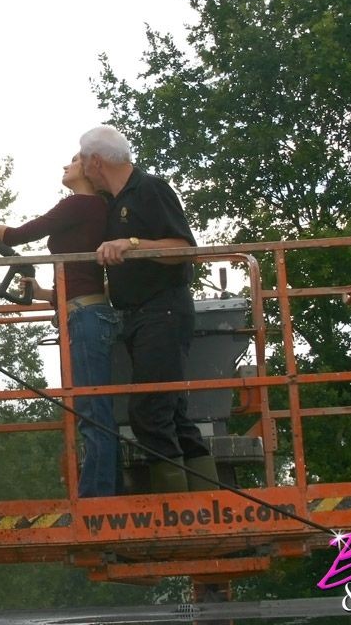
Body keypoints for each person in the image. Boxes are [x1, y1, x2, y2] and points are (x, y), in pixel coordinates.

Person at [0, 152, 121, 497]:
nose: (65, 166)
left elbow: (17, 235)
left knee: (92, 412)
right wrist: (44, 292)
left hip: (85, 317)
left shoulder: (79, 204)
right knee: (91, 409)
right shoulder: (92, 209)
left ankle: (97, 498)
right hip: (85, 312)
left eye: (73, 161)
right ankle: (100, 491)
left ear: (88, 171)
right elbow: (82, 280)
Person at [78, 124, 219, 494]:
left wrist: (132, 243)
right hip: (140, 314)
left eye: (81, 159)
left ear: (96, 161)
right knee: (170, 411)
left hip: (163, 310)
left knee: (149, 411)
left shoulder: (149, 189)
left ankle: (176, 509)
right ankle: (208, 502)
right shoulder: (115, 203)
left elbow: (184, 249)